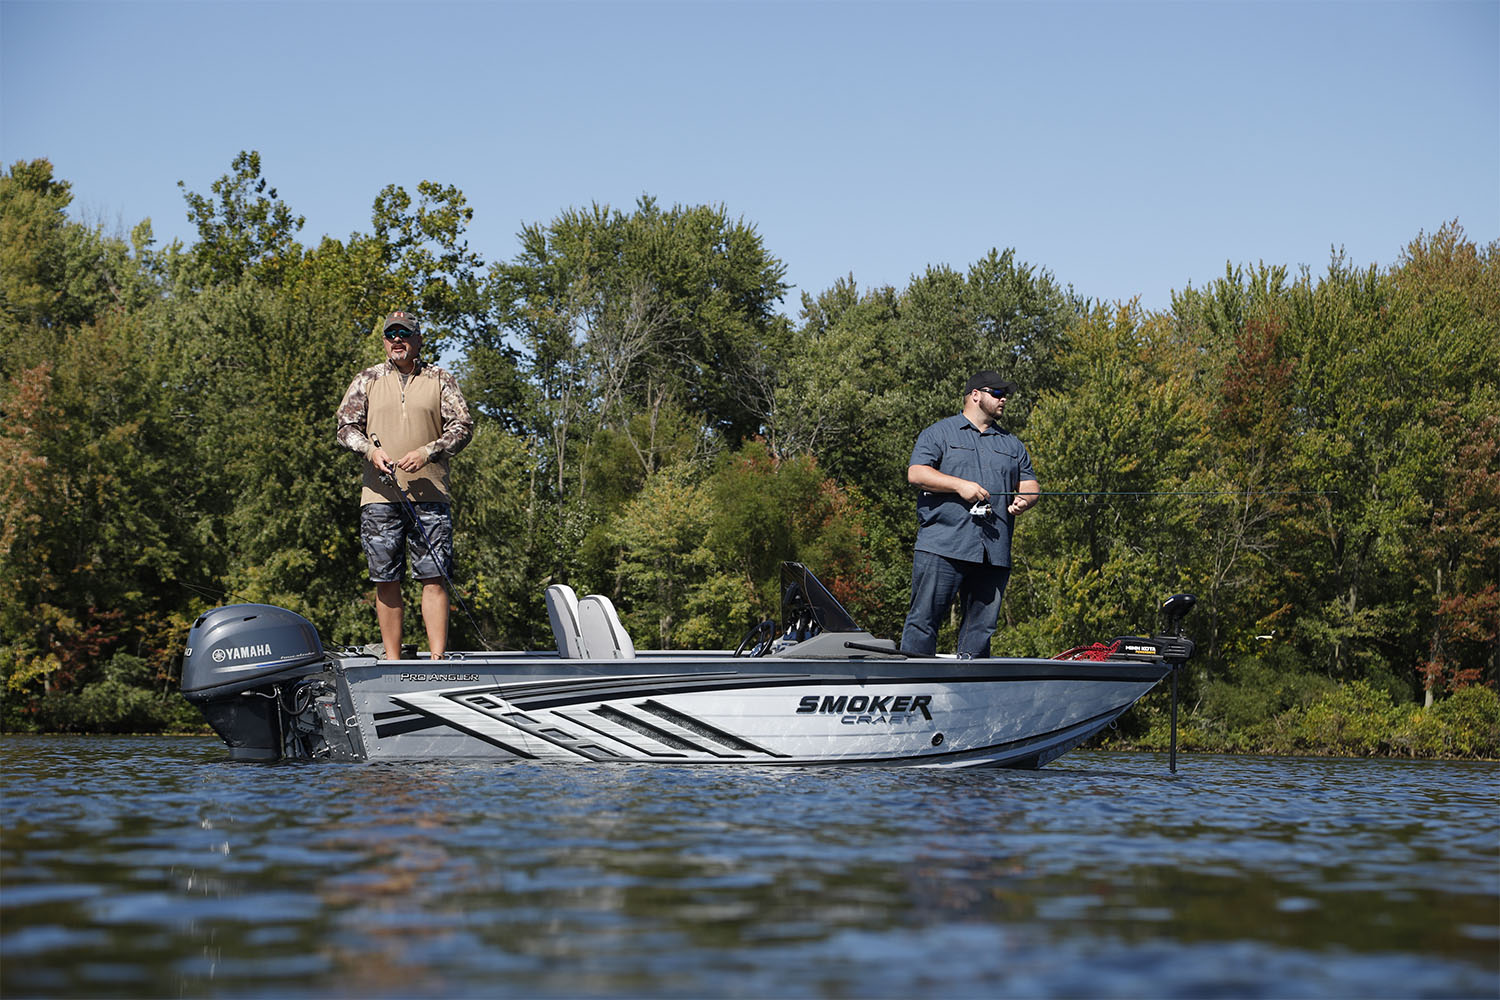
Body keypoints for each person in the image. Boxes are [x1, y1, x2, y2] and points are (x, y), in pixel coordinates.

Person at [336, 310, 474, 660]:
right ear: (384, 341)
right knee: (385, 578)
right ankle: (393, 662)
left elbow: (462, 426)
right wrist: (370, 451)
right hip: (379, 497)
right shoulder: (366, 379)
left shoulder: (440, 379)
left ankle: (437, 658)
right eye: (391, 334)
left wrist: (428, 452)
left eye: (405, 334)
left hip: (430, 495)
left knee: (434, 576)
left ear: (418, 339)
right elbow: (345, 428)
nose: (397, 339)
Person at [900, 370, 1040, 657]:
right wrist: (959, 485)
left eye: (1005, 395)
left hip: (994, 552)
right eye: (998, 394)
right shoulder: (939, 433)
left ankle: (968, 691)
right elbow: (917, 473)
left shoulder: (1012, 444)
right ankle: (912, 685)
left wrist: (1025, 499)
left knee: (981, 630)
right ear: (975, 395)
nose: (1003, 400)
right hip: (943, 546)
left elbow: (1030, 484)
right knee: (924, 621)